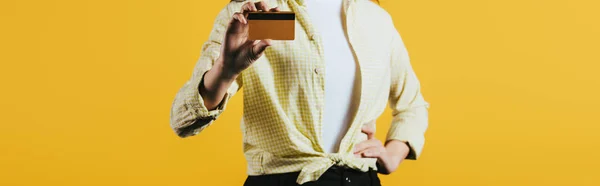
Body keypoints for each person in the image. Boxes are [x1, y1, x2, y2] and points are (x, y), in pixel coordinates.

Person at [170, 0, 429, 185]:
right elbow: (182, 120)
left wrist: (394, 154)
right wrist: (225, 72)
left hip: (359, 179)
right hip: (280, 180)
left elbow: (412, 105)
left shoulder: (375, 19)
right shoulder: (260, 10)